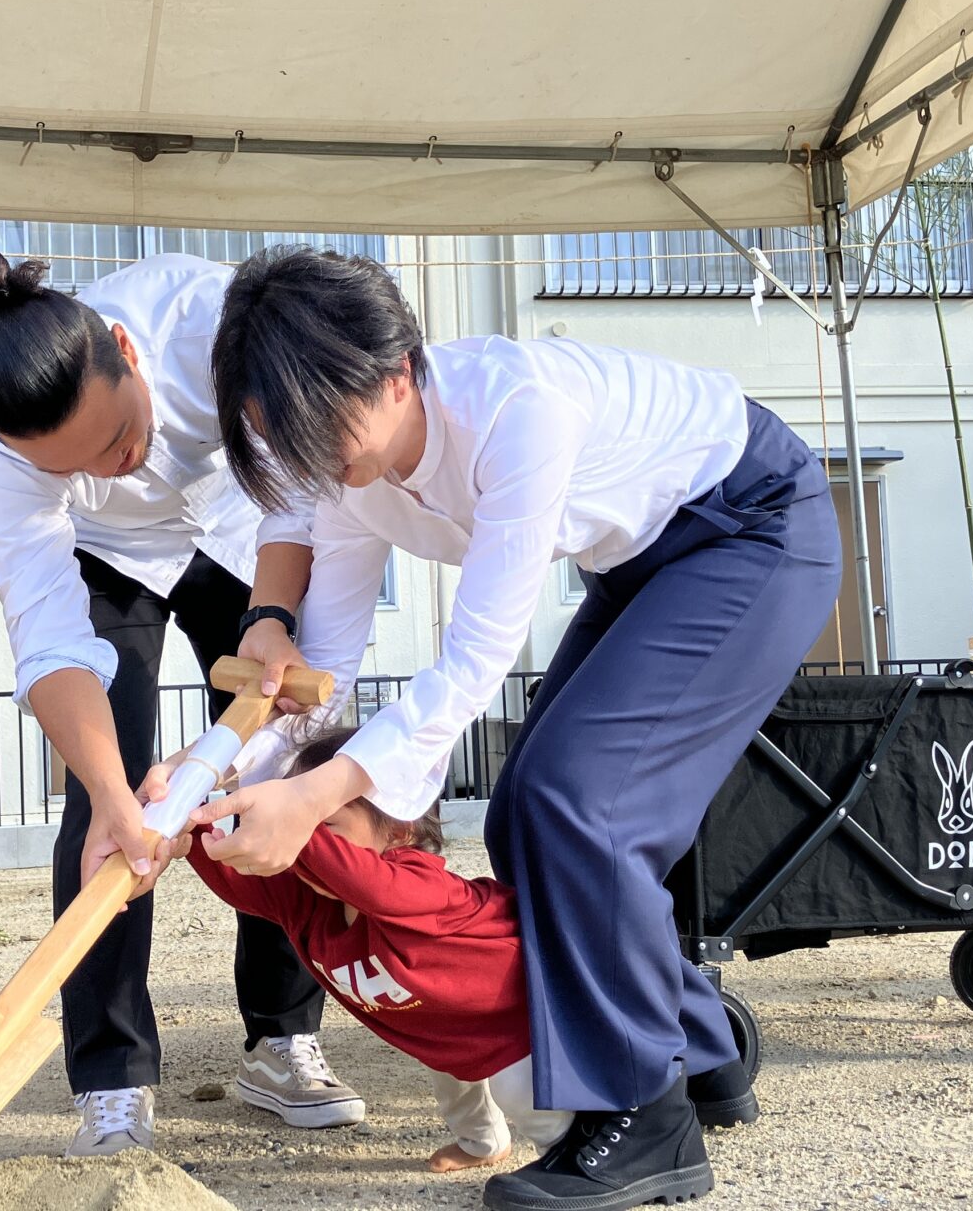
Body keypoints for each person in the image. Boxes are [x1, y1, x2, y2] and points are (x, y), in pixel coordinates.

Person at [196, 247, 841, 1211]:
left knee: (577, 804)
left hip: (753, 524)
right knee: (522, 819)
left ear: (397, 372)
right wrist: (220, 768)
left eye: (317, 424)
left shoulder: (514, 410)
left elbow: (472, 663)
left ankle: (643, 1114)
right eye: (281, 436)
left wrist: (315, 795)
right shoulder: (349, 469)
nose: (308, 457)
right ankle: (700, 1052)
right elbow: (322, 673)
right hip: (642, 560)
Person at [0, 247, 362, 1158]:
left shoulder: (212, 318)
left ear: (127, 352)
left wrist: (273, 617)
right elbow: (48, 634)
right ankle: (111, 1077)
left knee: (282, 765)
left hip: (246, 530)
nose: (119, 464)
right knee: (103, 810)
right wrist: (110, 789)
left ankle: (283, 1036)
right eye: (81, 465)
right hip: (106, 559)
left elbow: (305, 488)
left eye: (118, 437)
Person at [172, 726, 572, 1173]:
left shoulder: (419, 883)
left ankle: (571, 1159)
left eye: (322, 823)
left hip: (512, 1020)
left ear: (398, 830)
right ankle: (483, 1143)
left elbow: (370, 885)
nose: (296, 836)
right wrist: (191, 825)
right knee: (453, 1083)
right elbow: (241, 885)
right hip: (441, 1026)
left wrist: (291, 818)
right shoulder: (310, 901)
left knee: (519, 1092)